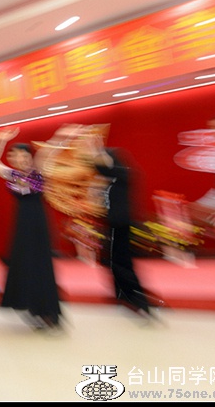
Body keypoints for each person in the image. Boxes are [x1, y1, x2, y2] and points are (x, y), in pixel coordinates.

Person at [0, 128, 63, 332]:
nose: (20, 160)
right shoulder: (12, 174)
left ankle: (48, 312)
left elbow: (46, 152)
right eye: (15, 156)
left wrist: (61, 136)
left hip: (39, 225)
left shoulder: (38, 171)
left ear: (30, 158)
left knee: (41, 266)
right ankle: (31, 307)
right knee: (23, 265)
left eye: (24, 156)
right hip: (22, 226)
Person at [82, 127, 154, 320]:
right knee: (112, 261)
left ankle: (137, 299)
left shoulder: (121, 173)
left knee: (121, 262)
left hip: (120, 223)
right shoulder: (110, 178)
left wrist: (97, 150)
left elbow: (107, 166)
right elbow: (101, 173)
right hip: (114, 223)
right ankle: (122, 293)